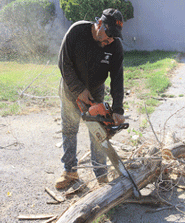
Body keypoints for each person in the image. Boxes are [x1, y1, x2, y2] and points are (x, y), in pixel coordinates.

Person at [55, 8, 125, 189]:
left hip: (95, 91)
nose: (110, 39)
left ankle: (101, 175)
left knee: (98, 133)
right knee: (69, 129)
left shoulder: (115, 45)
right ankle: (70, 171)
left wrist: (118, 108)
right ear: (100, 24)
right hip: (71, 89)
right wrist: (78, 89)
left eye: (114, 36)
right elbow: (64, 63)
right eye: (109, 34)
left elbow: (117, 78)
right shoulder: (77, 31)